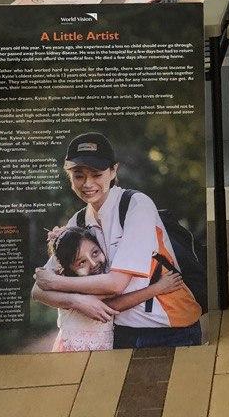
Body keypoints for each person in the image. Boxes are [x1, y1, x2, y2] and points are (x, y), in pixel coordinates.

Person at [31, 133, 204, 348]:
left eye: (96, 174)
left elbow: (115, 284)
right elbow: (38, 291)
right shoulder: (78, 221)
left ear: (113, 171)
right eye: (78, 175)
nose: (87, 183)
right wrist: (76, 300)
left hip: (169, 328)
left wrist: (56, 283)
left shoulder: (136, 205)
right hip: (119, 333)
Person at [44, 225, 184, 352]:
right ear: (68, 270)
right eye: (81, 262)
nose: (93, 264)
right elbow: (113, 305)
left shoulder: (95, 279)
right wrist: (158, 288)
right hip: (75, 354)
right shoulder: (75, 286)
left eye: (95, 253)